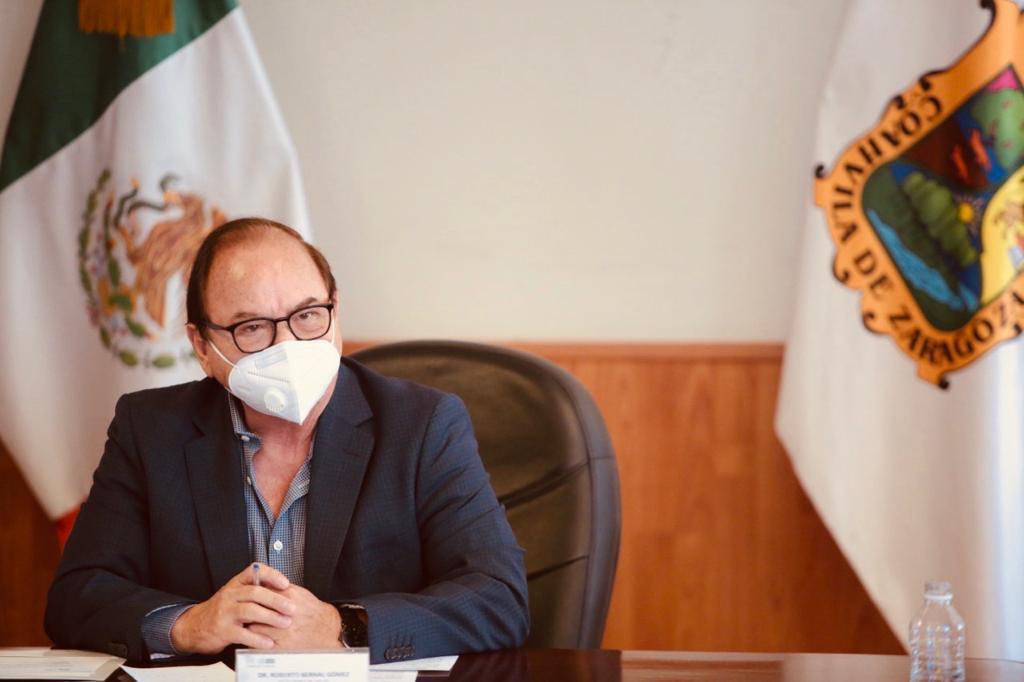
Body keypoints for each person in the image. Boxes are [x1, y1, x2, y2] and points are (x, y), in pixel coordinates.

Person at [44, 218, 529, 664]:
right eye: (252, 327)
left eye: (307, 315)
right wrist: (188, 625)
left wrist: (343, 626)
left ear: (335, 309)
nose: (288, 345)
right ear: (202, 346)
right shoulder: (150, 430)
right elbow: (76, 597)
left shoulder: (423, 425)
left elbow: (498, 599)